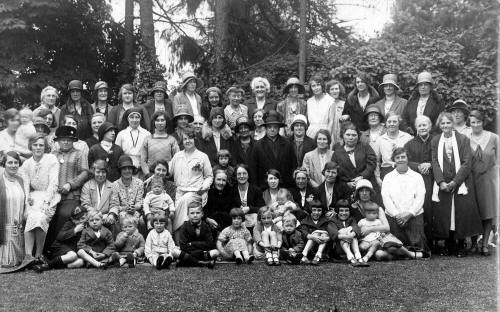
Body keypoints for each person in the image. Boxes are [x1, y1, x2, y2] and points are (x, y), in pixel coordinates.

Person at [431, 112, 482, 257]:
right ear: (439, 125)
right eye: (443, 123)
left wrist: (455, 182)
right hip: (443, 183)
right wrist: (440, 181)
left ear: (453, 124)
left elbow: (467, 163)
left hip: (461, 182)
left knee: (460, 213)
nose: (445, 126)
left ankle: (461, 245)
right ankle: (449, 244)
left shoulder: (463, 139)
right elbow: (434, 162)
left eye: (448, 123)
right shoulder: (435, 140)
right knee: (446, 213)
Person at [350, 179, 428, 260]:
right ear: (357, 193)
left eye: (367, 191)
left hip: (380, 237)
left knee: (385, 249)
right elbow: (351, 225)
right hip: (363, 240)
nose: (364, 193)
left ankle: (410, 254)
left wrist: (370, 229)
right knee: (378, 254)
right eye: (361, 191)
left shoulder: (377, 207)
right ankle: (400, 256)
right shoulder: (353, 207)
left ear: (371, 192)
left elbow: (386, 227)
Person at [45, 126, 89, 250]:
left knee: (64, 215)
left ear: (73, 140)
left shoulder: (79, 154)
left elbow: (85, 173)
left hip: (71, 196)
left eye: (69, 139)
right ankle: (45, 250)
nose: (65, 142)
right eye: (62, 139)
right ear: (58, 141)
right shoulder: (52, 154)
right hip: (53, 195)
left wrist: (70, 184)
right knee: (47, 215)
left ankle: (58, 248)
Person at [20, 135, 60, 261]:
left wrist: (47, 202)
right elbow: (25, 185)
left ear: (45, 147)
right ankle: (28, 256)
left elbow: (54, 183)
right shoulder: (26, 164)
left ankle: (38, 255)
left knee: (41, 217)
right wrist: (27, 202)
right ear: (31, 146)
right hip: (33, 197)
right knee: (32, 216)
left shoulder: (51, 159)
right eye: (35, 144)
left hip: (50, 196)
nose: (38, 147)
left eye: (41, 145)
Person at [170, 125, 213, 240]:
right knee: (178, 207)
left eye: (190, 138)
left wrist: (204, 189)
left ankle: (177, 240)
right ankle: (178, 243)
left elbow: (209, 176)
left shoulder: (202, 157)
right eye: (185, 139)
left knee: (186, 200)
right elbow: (167, 172)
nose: (187, 141)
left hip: (195, 193)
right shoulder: (177, 156)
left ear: (195, 139)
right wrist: (153, 176)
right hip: (179, 192)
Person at [381, 147, 427, 251]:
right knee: (394, 247)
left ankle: (413, 251)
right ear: (394, 160)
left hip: (413, 216)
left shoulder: (417, 177)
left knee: (417, 247)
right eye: (397, 157)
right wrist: (397, 215)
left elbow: (420, 197)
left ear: (408, 158)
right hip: (394, 217)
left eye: (403, 157)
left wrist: (410, 213)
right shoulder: (388, 177)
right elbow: (386, 198)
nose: (400, 159)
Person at [468, 110, 498, 256]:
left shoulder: (494, 138)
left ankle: (485, 244)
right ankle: (474, 243)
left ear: (483, 122)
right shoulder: (465, 138)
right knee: (473, 211)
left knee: (488, 211)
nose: (476, 125)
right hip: (472, 179)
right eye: (473, 122)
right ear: (469, 123)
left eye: (478, 122)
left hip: (488, 179)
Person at [404, 115, 435, 247]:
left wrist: (430, 164)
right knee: (419, 207)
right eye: (419, 125)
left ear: (430, 126)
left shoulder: (437, 140)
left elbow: (442, 157)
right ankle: (420, 240)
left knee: (432, 208)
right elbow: (405, 160)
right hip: (416, 179)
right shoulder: (410, 144)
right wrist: (418, 166)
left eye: (425, 125)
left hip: (434, 179)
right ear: (416, 128)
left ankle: (433, 240)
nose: (422, 128)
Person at [250, 110, 297, 189]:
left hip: (284, 186)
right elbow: (253, 170)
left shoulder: (287, 143)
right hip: (264, 187)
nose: (272, 129)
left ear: (279, 129)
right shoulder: (258, 145)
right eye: (269, 127)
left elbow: (293, 165)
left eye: (275, 127)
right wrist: (256, 188)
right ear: (265, 128)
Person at [332, 122, 378, 201]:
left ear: (358, 136)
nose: (351, 138)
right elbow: (336, 172)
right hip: (348, 189)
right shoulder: (337, 153)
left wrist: (362, 176)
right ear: (343, 135)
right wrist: (347, 184)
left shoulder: (365, 146)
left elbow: (372, 162)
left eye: (354, 135)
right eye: (348, 135)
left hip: (366, 185)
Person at [32, 206, 87, 272]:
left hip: (72, 250)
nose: (80, 221)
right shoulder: (69, 224)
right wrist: (74, 230)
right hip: (60, 247)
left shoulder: (88, 225)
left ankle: (52, 264)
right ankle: (47, 265)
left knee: (80, 262)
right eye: (77, 219)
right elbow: (60, 236)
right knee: (73, 255)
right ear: (72, 219)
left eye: (82, 218)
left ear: (87, 216)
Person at [0, 151, 26, 267]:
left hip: (19, 223)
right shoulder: (1, 181)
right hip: (4, 223)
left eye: (16, 162)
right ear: (4, 164)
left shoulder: (20, 180)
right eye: (10, 162)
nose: (13, 165)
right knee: (7, 262)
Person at [373, 112, 413, 182]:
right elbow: (376, 160)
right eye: (389, 121)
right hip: (387, 170)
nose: (392, 124)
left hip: (404, 170)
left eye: (394, 122)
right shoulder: (380, 140)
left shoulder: (407, 137)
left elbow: (412, 157)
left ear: (399, 123)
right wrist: (377, 177)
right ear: (385, 123)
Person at [109, 155, 144, 232]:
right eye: (124, 168)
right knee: (121, 217)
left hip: (135, 212)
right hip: (121, 214)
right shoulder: (115, 185)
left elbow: (140, 201)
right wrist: (124, 209)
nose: (127, 171)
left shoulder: (139, 183)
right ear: (120, 171)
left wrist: (134, 207)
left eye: (129, 168)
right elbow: (114, 204)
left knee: (140, 220)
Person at [177, 203, 219, 268]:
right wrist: (200, 247)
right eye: (192, 213)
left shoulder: (206, 226)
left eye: (198, 213)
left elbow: (210, 244)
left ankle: (185, 261)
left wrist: (192, 243)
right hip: (195, 252)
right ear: (188, 214)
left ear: (202, 214)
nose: (195, 215)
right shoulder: (184, 226)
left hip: (196, 253)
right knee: (175, 251)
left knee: (215, 252)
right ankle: (202, 263)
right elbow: (183, 245)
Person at [80, 160, 116, 233]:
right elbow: (85, 204)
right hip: (91, 217)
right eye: (98, 172)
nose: (100, 175)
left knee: (114, 225)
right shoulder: (87, 186)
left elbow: (114, 204)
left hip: (107, 218)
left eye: (103, 172)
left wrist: (111, 214)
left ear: (106, 173)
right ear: (94, 172)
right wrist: (97, 216)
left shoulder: (112, 186)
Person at [140, 111, 179, 176]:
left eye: (162, 120)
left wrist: (169, 174)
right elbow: (143, 160)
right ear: (154, 122)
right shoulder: (147, 139)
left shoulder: (172, 140)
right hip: (150, 176)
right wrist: (148, 174)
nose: (160, 123)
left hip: (167, 176)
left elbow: (177, 159)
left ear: (166, 122)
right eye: (157, 120)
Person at [115, 108, 151, 178]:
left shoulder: (147, 134)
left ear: (140, 119)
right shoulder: (121, 134)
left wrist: (141, 166)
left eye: (137, 117)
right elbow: (117, 153)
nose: (134, 120)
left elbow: (149, 153)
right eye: (132, 117)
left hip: (142, 167)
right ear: (127, 119)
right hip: (125, 166)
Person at [231, 164, 265, 231]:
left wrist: (249, 208)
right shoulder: (232, 190)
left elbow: (262, 208)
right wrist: (238, 211)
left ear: (248, 175)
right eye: (239, 174)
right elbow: (230, 208)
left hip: (254, 224)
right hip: (237, 222)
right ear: (236, 176)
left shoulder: (256, 190)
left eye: (244, 173)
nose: (242, 176)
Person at [299, 201, 334, 265]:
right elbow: (303, 232)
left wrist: (327, 238)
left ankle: (318, 255)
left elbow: (332, 233)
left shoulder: (326, 221)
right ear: (310, 210)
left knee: (324, 233)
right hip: (310, 246)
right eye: (314, 210)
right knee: (315, 233)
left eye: (319, 210)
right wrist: (312, 237)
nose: (316, 213)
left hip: (323, 245)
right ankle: (304, 255)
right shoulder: (305, 221)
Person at [331, 199, 365, 266]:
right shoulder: (333, 220)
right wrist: (347, 236)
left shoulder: (351, 219)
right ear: (337, 211)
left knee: (354, 236)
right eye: (341, 210)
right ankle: (350, 257)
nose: (344, 213)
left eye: (346, 210)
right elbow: (333, 233)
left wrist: (351, 232)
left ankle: (358, 256)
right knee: (342, 235)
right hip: (339, 247)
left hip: (352, 246)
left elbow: (356, 228)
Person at [306, 74, 336, 140]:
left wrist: (327, 137)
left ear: (322, 86)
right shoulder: (309, 101)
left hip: (325, 132)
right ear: (311, 88)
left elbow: (331, 121)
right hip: (311, 133)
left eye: (318, 85)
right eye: (313, 86)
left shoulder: (330, 100)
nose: (316, 88)